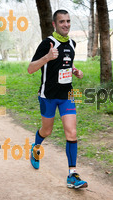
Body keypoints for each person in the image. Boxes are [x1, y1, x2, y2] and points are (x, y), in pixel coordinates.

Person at [27, 9, 87, 189]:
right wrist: (47, 57)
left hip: (67, 95)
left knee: (72, 132)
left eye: (68, 21)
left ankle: (72, 175)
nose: (66, 24)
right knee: (47, 131)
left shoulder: (72, 43)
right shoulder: (47, 44)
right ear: (54, 24)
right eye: (62, 22)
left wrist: (75, 71)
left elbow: (67, 63)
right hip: (48, 97)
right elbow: (30, 68)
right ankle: (36, 147)